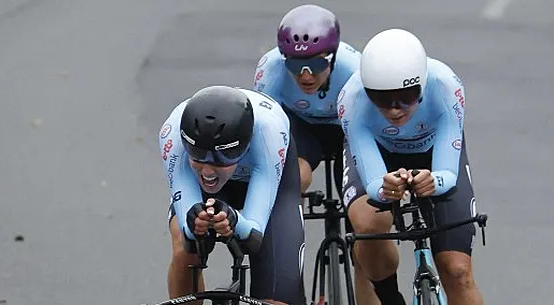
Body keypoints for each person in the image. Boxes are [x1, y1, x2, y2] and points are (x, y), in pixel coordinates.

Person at [338, 28, 483, 305]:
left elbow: (447, 174)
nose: (395, 109)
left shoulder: (445, 85)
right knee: (368, 226)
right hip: (379, 154)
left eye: (407, 95)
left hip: (434, 156)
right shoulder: (351, 99)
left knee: (458, 271)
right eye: (381, 98)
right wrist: (385, 188)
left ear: (423, 84)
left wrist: (435, 181)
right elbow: (373, 184)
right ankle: (391, 299)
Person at [253, 5, 385, 305]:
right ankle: (288, 259)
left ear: (333, 56)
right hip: (302, 127)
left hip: (349, 128)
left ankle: (363, 275)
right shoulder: (269, 70)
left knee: (363, 236)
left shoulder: (356, 69)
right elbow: (267, 128)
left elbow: (372, 129)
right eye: (295, 65)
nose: (305, 75)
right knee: (295, 176)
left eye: (315, 63)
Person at [159, 85, 306, 305]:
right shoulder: (173, 134)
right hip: (207, 190)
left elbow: (253, 238)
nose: (208, 171)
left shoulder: (268, 132)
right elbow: (190, 236)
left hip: (266, 177)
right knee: (185, 251)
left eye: (223, 158)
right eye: (198, 156)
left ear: (245, 146)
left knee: (278, 298)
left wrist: (235, 220)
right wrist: (195, 222)